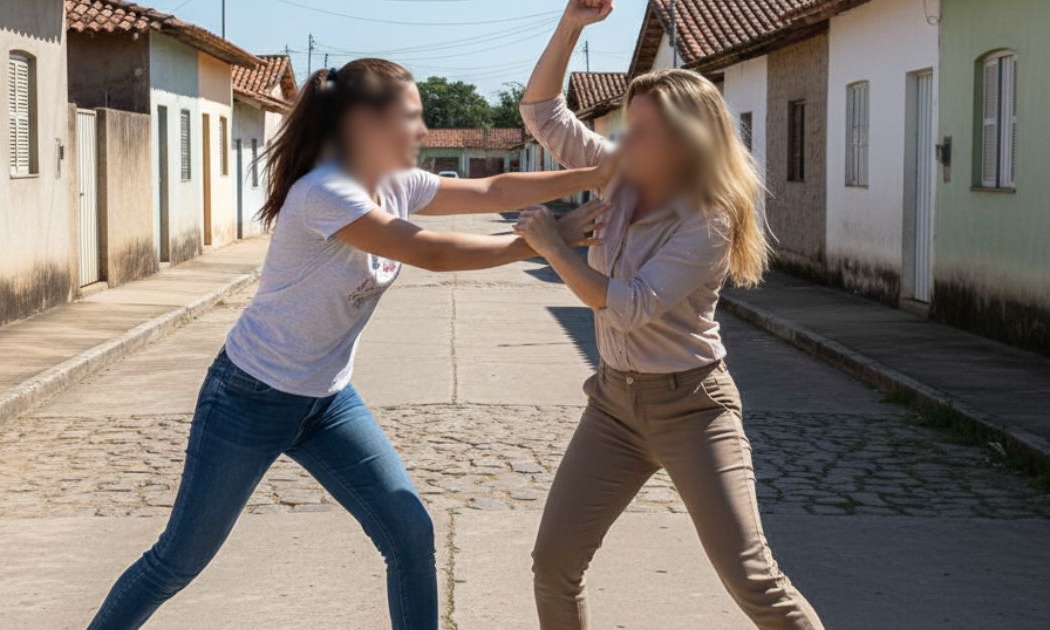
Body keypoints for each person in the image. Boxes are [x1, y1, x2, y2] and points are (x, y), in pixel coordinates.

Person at [86, 57, 610, 630]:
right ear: (364, 123)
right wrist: (542, 242)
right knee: (178, 561)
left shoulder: (395, 183)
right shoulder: (325, 192)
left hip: (326, 401)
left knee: (410, 535)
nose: (423, 131)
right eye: (411, 117)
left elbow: (492, 187)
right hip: (249, 398)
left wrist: (594, 174)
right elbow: (431, 253)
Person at [512, 2, 825, 629]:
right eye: (627, 127)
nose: (627, 141)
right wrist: (572, 25)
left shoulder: (706, 217)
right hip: (613, 405)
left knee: (753, 578)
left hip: (693, 408)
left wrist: (552, 245)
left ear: (686, 142)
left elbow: (628, 306)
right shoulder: (619, 176)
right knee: (554, 564)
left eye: (644, 131)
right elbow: (540, 112)